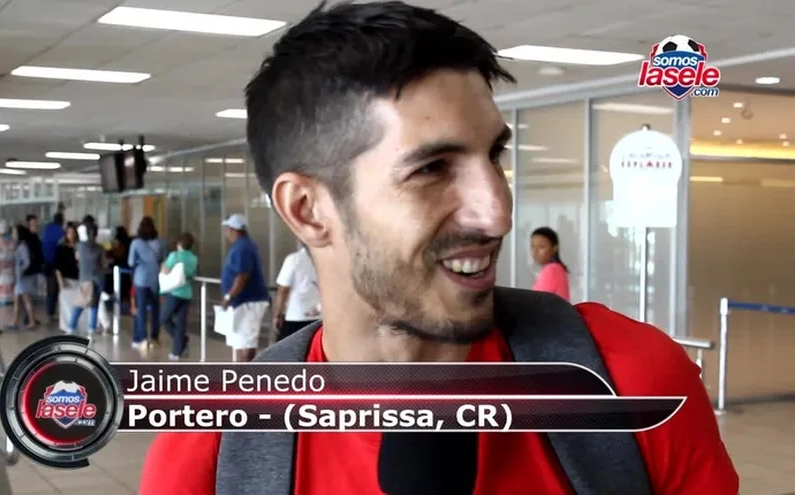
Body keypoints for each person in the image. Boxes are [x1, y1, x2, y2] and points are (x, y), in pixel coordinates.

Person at [141, 2, 737, 495]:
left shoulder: (632, 383)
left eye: (494, 157)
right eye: (431, 169)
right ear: (308, 210)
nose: (497, 212)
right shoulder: (216, 451)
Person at [219, 214, 270, 362]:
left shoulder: (243, 247)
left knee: (247, 341)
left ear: (234, 230)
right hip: (243, 302)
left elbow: (242, 276)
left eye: (228, 229)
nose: (226, 232)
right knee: (241, 341)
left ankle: (245, 377)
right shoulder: (242, 246)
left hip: (249, 302)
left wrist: (229, 296)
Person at [159, 232, 199, 360]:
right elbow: (192, 274)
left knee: (164, 318)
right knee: (181, 323)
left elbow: (165, 270)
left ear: (180, 244)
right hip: (186, 293)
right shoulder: (194, 258)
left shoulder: (174, 256)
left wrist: (165, 264)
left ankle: (181, 340)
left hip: (174, 292)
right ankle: (176, 352)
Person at [128, 216, 165, 351]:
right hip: (156, 279)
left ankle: (141, 339)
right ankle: (155, 337)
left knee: (141, 310)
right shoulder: (161, 242)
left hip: (141, 279)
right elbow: (164, 260)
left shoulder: (136, 243)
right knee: (156, 310)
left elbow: (131, 262)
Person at [273, 242, 321, 341]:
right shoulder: (325, 261)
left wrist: (278, 315)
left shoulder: (294, 259)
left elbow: (283, 290)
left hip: (295, 316)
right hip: (319, 317)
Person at [67, 223, 104, 335]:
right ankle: (91, 328)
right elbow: (103, 263)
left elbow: (77, 258)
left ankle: (71, 327)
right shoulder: (99, 248)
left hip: (84, 278)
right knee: (94, 304)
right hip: (98, 278)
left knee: (80, 304)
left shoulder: (79, 246)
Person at [7, 225, 37, 331]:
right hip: (20, 278)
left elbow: (26, 262)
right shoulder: (19, 246)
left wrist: (22, 272)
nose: (13, 235)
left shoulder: (22, 247)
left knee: (26, 300)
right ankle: (14, 321)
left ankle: (32, 322)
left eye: (15, 233)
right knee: (18, 301)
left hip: (23, 279)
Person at [530, 227, 570, 301]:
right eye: (532, 246)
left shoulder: (552, 269)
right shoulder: (557, 268)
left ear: (555, 248)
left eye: (541, 247)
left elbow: (536, 302)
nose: (535, 252)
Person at [41, 213, 66, 320]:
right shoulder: (60, 231)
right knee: (55, 289)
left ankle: (50, 311)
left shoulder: (47, 228)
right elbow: (63, 246)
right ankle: (51, 312)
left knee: (50, 288)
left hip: (45, 262)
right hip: (55, 263)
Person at [0, 220, 16, 306]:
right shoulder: (12, 241)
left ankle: (3, 299)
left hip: (2, 269)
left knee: (3, 283)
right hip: (7, 269)